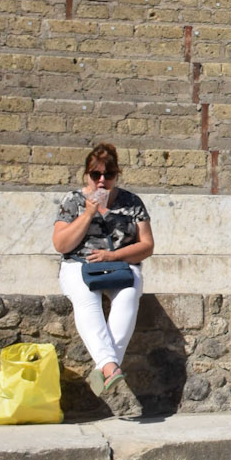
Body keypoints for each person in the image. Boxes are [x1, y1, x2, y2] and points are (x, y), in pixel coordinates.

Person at [52, 142, 154, 396]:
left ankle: (106, 367)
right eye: (95, 174)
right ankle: (110, 366)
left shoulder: (131, 202)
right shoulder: (73, 201)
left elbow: (147, 245)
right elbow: (61, 244)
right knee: (87, 300)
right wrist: (88, 214)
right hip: (79, 264)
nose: (101, 180)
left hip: (120, 264)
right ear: (86, 174)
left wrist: (113, 255)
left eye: (108, 175)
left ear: (116, 175)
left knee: (128, 296)